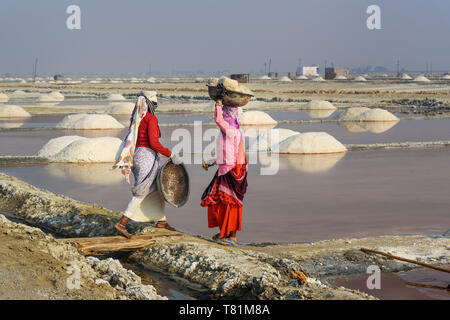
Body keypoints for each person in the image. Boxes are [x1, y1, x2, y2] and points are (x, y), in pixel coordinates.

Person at [113, 91, 182, 238]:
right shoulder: (150, 119)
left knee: (157, 188)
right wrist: (171, 154)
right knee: (142, 191)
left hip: (136, 155)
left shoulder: (136, 118)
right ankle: (122, 223)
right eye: (154, 104)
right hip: (147, 157)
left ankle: (161, 221)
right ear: (150, 104)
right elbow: (154, 143)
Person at [201, 99, 248, 246]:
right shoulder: (228, 133)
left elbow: (218, 119)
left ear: (229, 117)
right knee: (220, 202)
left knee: (231, 204)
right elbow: (225, 152)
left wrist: (218, 106)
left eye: (226, 116)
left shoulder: (232, 131)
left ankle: (232, 237)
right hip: (224, 170)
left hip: (231, 171)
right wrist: (210, 162)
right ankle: (225, 232)